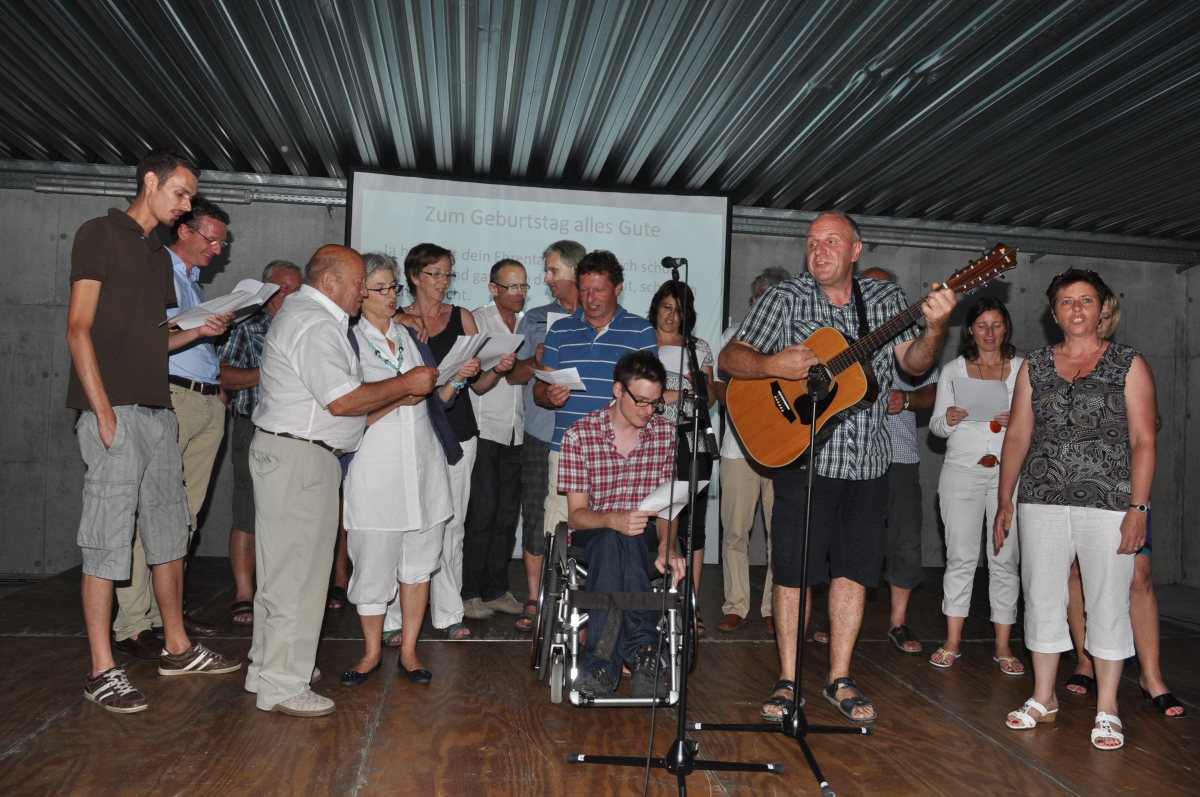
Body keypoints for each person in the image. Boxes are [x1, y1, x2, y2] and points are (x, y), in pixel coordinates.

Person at [719, 212, 955, 724]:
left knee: (854, 572)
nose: (818, 251)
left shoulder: (886, 300)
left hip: (868, 462)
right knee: (793, 572)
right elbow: (731, 358)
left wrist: (936, 327)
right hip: (804, 457)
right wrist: (772, 365)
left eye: (831, 241)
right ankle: (788, 679)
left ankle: (839, 677)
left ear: (855, 251)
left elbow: (914, 365)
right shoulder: (785, 298)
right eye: (811, 242)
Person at [67, 148, 241, 714]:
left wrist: (199, 333)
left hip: (160, 411)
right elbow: (78, 328)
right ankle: (102, 669)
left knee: (169, 533)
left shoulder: (155, 256)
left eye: (190, 196)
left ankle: (178, 646)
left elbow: (156, 339)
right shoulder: (100, 233)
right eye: (181, 193)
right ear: (150, 182)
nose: (186, 205)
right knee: (108, 539)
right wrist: (103, 412)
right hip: (115, 410)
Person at [247, 244, 437, 717]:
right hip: (301, 457)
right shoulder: (314, 323)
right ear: (331, 282)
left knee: (281, 574)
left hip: (293, 454)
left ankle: (268, 668)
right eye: (358, 285)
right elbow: (342, 400)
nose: (362, 295)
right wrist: (406, 383)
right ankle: (283, 685)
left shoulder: (310, 317)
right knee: (299, 577)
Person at [995, 268, 1156, 751]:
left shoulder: (1128, 363)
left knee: (1108, 601)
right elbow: (1018, 434)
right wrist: (1005, 498)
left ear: (1102, 308)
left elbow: (1144, 440)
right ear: (1054, 312)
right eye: (1067, 301)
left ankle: (1107, 708)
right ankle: (1044, 697)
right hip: (1041, 498)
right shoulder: (1035, 365)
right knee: (1042, 597)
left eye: (1086, 300)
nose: (1077, 309)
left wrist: (1139, 508)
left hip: (1109, 502)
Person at [111, 196, 232, 657]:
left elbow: (192, 342)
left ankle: (168, 615)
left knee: (184, 519)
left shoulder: (192, 282)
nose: (218, 249)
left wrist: (216, 387)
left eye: (221, 243)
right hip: (172, 397)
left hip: (205, 401)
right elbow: (144, 338)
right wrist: (200, 333)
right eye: (212, 240)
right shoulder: (155, 268)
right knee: (153, 514)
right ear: (184, 230)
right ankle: (133, 623)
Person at [339, 254, 462, 687]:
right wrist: (399, 395)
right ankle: (371, 652)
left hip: (424, 468)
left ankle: (409, 651)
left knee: (419, 565)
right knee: (372, 566)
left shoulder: (410, 336)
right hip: (375, 471)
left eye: (394, 287)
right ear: (360, 292)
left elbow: (432, 401)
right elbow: (347, 412)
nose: (392, 296)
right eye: (382, 288)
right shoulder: (348, 340)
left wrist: (456, 379)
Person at [1062, 295, 1184, 717]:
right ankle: (1085, 661)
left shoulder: (1128, 363)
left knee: (1140, 578)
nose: (1099, 319)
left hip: (1127, 493)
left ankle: (1151, 677)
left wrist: (1139, 504)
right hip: (1074, 490)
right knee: (1077, 575)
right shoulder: (1064, 362)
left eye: (1106, 313)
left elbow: (1150, 426)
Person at [558, 351, 686, 698]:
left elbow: (668, 508)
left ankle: (601, 663)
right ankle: (644, 652)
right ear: (618, 390)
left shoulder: (665, 435)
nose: (648, 410)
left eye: (655, 403)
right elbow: (577, 514)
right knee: (614, 538)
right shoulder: (580, 434)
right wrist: (614, 520)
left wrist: (667, 544)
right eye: (641, 401)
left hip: (645, 536)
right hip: (596, 534)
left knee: (628, 538)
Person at [534, 249, 658, 578]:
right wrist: (549, 394)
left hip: (620, 454)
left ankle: (613, 599)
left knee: (613, 538)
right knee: (559, 533)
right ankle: (561, 602)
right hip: (566, 450)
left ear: (618, 288)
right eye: (585, 289)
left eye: (599, 289)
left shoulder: (640, 331)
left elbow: (648, 391)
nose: (590, 299)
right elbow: (539, 391)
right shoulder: (561, 330)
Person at [395, 243, 497, 639]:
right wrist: (400, 319)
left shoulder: (462, 316)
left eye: (448, 274)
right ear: (414, 277)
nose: (443, 282)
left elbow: (480, 382)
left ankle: (449, 613)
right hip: (414, 428)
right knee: (408, 523)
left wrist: (491, 368)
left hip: (458, 430)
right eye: (435, 274)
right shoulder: (396, 319)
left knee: (452, 524)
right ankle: (396, 615)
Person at [928, 297, 1024, 673]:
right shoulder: (953, 370)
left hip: (1008, 476)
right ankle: (953, 641)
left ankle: (1003, 646)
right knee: (960, 559)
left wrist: (1019, 419)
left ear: (1006, 328)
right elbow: (936, 427)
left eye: (997, 324)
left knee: (1005, 560)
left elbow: (1039, 423)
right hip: (962, 473)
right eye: (982, 325)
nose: (989, 332)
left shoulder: (1023, 369)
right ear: (970, 330)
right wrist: (949, 419)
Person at [218, 259, 303, 626]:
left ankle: (281, 592)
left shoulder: (305, 328)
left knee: (290, 517)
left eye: (297, 289)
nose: (291, 295)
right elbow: (223, 375)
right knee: (248, 512)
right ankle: (243, 592)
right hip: (253, 428)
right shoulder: (247, 325)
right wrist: (268, 372)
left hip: (297, 433)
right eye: (284, 288)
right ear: (267, 290)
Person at [860, 266, 938, 656]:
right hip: (854, 457)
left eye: (884, 289)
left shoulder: (914, 340)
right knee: (852, 538)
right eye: (869, 288)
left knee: (905, 540)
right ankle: (841, 618)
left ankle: (898, 621)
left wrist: (906, 399)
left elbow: (933, 392)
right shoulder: (844, 334)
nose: (877, 295)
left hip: (900, 456)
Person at [508, 240, 584, 630]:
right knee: (536, 513)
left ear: (576, 271)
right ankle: (535, 599)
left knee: (583, 517)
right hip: (540, 431)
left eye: (553, 271)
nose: (547, 279)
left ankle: (579, 597)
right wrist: (534, 361)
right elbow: (514, 375)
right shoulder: (536, 318)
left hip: (586, 435)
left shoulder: (597, 316)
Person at [714, 267, 789, 634]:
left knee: (781, 535)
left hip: (782, 452)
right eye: (761, 296)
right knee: (735, 533)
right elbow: (721, 388)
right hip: (737, 450)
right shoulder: (734, 337)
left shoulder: (795, 339)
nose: (766, 303)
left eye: (774, 297)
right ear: (754, 299)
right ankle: (736, 606)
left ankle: (775, 606)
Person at [649, 279, 716, 633]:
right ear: (656, 307)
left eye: (678, 310)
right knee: (655, 521)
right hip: (651, 443)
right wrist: (678, 393)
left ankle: (690, 605)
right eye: (666, 307)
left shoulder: (698, 348)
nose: (671, 315)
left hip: (693, 442)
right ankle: (651, 603)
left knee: (693, 528)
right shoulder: (642, 343)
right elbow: (639, 396)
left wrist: (699, 387)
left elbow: (711, 397)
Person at [461, 259, 525, 619]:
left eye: (523, 286)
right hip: (485, 429)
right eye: (512, 286)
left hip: (518, 430)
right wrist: (498, 368)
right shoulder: (478, 321)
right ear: (493, 288)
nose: (519, 293)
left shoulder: (527, 324)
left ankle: (496, 589)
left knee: (506, 517)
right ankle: (469, 592)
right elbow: (473, 381)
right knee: (481, 514)